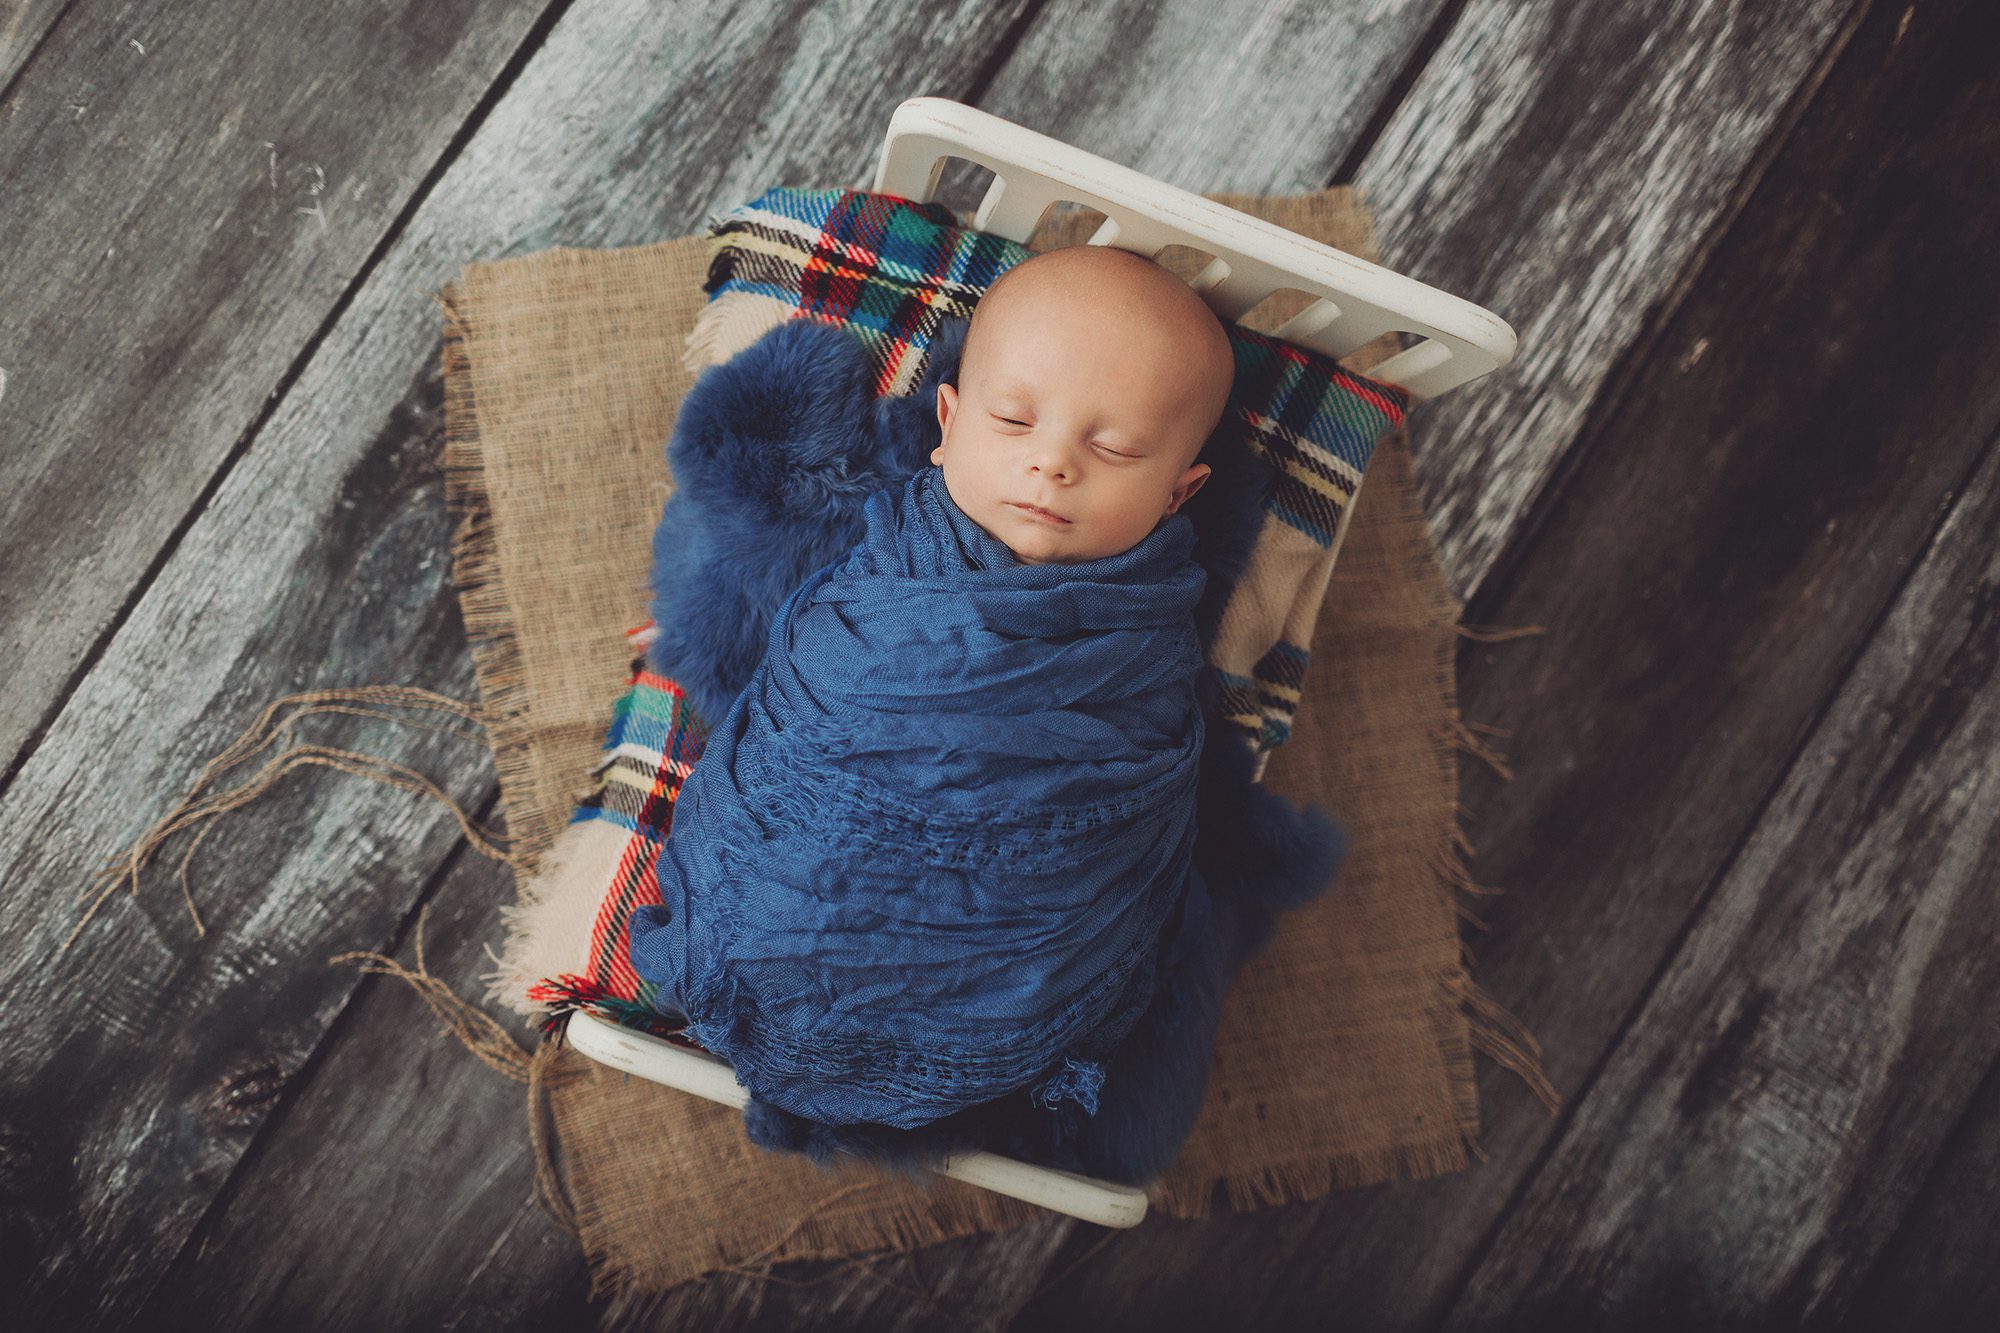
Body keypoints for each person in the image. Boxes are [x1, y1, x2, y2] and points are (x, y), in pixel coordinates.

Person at [625, 246, 1298, 1185]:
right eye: (1014, 419)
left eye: (1114, 450)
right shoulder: (883, 550)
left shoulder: (1148, 635)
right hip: (797, 884)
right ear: (945, 425)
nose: (1052, 461)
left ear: (1181, 490)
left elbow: (1140, 800)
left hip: (1016, 955)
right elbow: (786, 672)